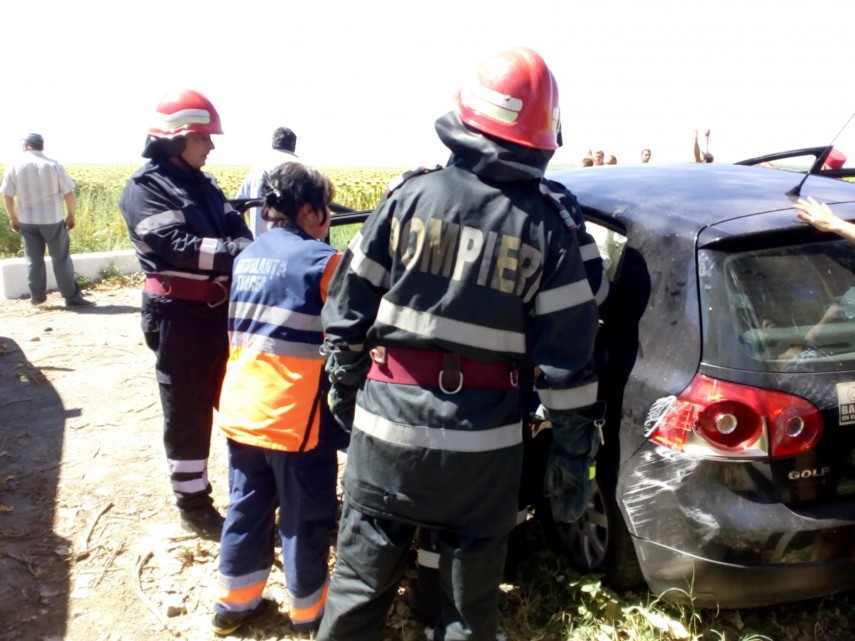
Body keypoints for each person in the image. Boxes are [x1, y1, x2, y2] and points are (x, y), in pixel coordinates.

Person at [317, 47, 601, 641]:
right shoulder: (548, 228)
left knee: (355, 599)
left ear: (464, 118)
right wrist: (571, 459)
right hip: (485, 455)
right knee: (467, 618)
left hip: (387, 437)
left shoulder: (406, 199)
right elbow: (569, 364)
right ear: (541, 135)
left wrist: (344, 392)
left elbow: (346, 314)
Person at [211, 162, 348, 636]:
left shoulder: (246, 257)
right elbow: (353, 327)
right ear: (310, 209)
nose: (328, 218)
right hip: (294, 417)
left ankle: (234, 605)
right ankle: (310, 615)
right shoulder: (323, 261)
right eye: (325, 209)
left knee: (247, 507)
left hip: (242, 408)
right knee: (305, 518)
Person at [119, 89, 253, 540]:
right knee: (188, 410)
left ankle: (250, 495)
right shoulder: (145, 188)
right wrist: (237, 252)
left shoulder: (207, 184)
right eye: (204, 138)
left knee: (236, 402)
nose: (211, 146)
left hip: (221, 315)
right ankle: (193, 503)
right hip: (177, 316)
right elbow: (176, 246)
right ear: (177, 139)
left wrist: (241, 248)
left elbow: (238, 230)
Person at [1, 133, 95, 307]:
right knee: (61, 259)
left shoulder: (14, 165)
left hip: (28, 221)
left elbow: (7, 195)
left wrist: (13, 218)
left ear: (25, 146)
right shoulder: (53, 164)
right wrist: (71, 215)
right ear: (41, 146)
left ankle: (37, 297)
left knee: (33, 260)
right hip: (52, 219)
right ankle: (71, 298)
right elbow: (68, 192)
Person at [235, 127, 301, 236]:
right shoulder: (301, 167)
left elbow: (240, 204)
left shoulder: (257, 167)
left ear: (273, 144)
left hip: (258, 243)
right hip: (292, 241)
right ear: (293, 144)